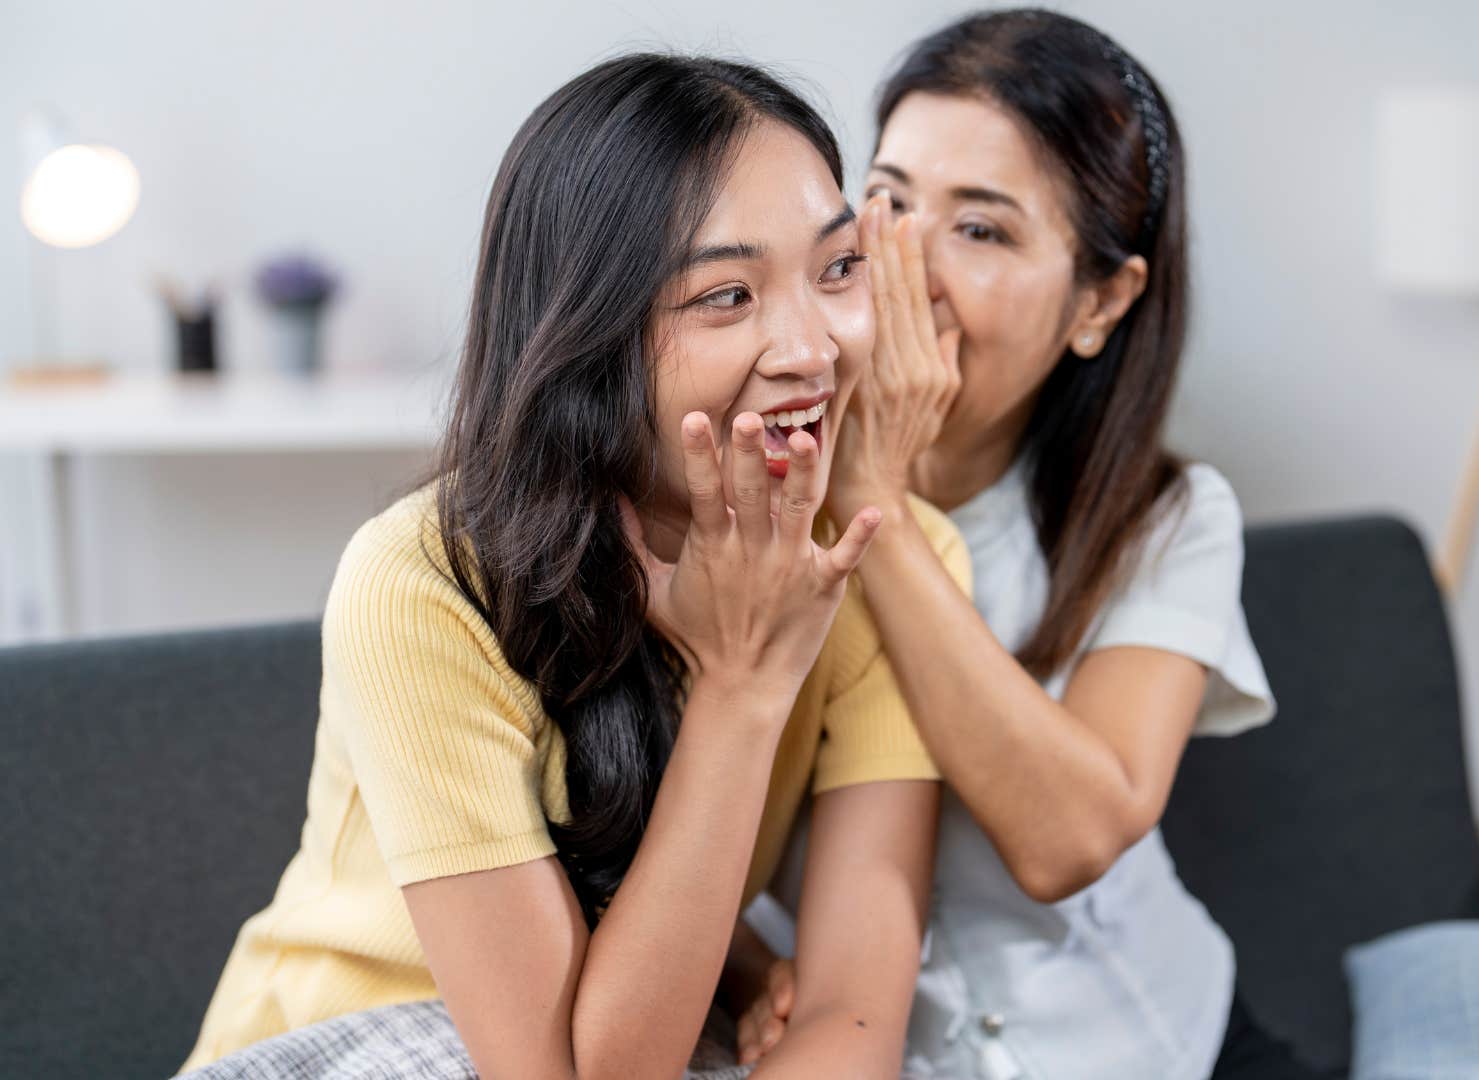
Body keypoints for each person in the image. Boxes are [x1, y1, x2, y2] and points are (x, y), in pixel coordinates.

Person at [180, 53, 967, 1079]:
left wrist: (751, 975)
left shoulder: (886, 563)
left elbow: (850, 1021)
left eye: (837, 269)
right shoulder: (424, 583)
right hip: (362, 1045)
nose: (810, 348)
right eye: (726, 295)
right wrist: (741, 689)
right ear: (588, 336)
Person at [760, 10, 1281, 1079]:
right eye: (889, 200)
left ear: (1101, 299)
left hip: (1151, 1046)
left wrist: (879, 504)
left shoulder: (1168, 517)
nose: (908, 264)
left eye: (982, 230)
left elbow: (1068, 839)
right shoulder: (747, 481)